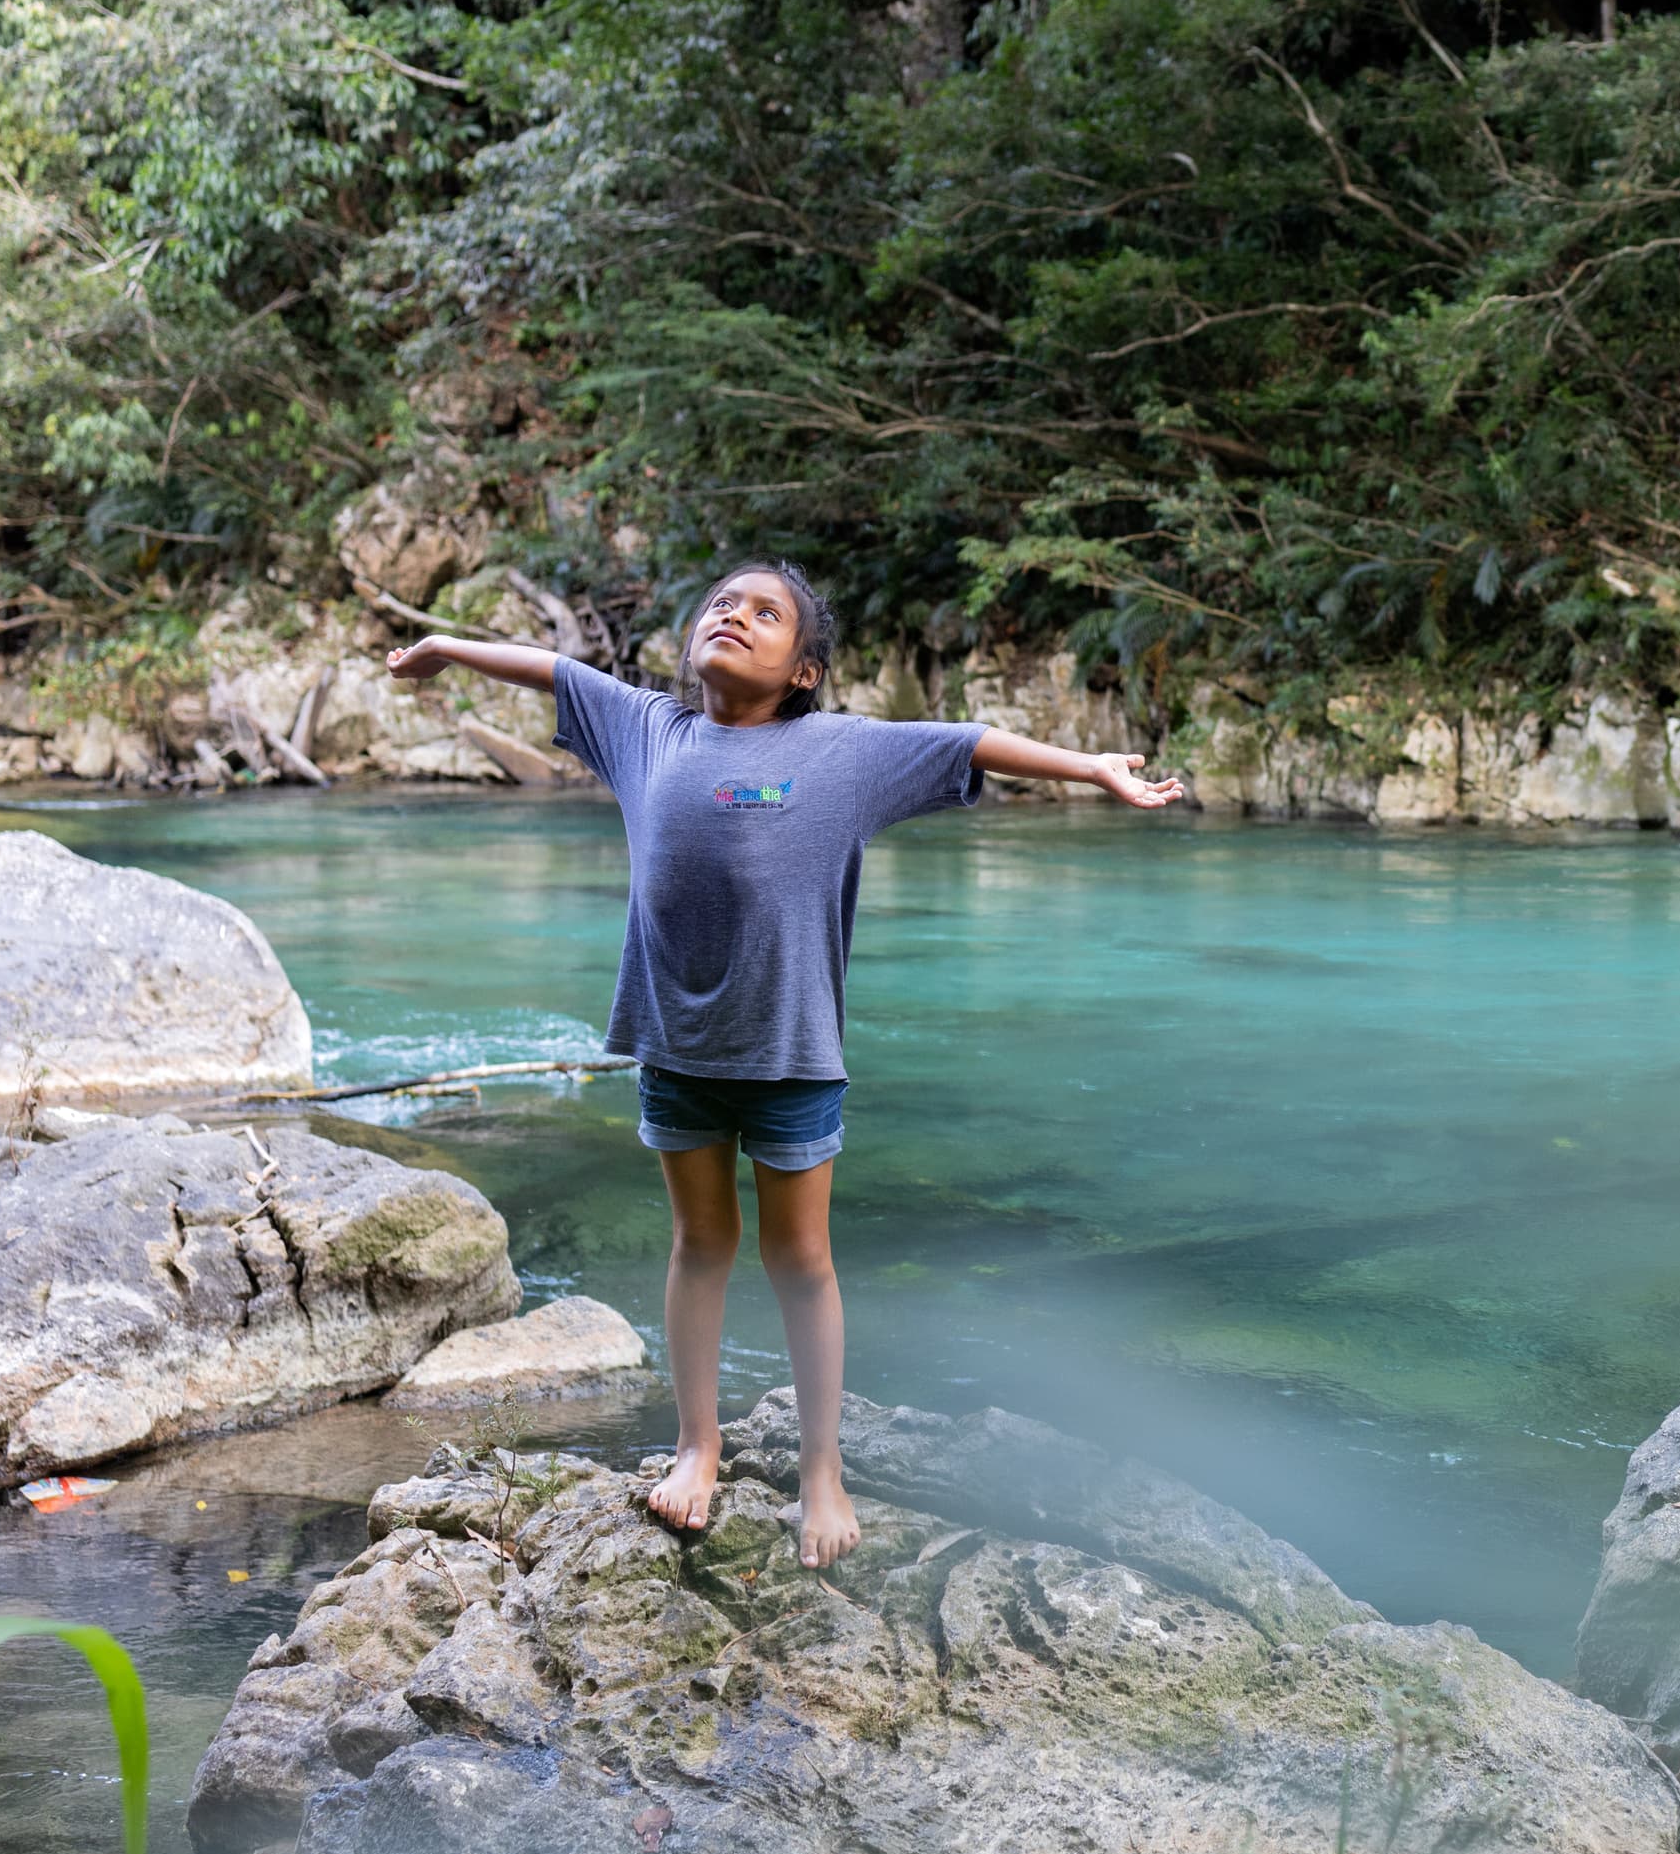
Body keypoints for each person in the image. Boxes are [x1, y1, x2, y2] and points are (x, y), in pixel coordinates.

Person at [386, 562, 1185, 1565]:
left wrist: (1095, 766)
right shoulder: (648, 731)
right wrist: (447, 647)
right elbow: (551, 669)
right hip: (677, 1046)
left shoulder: (841, 751)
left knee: (800, 1260)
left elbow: (970, 741)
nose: (733, 615)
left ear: (804, 669)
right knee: (700, 1244)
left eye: (765, 614)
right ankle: (696, 1445)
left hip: (793, 1052)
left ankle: (821, 1467)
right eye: (721, 603)